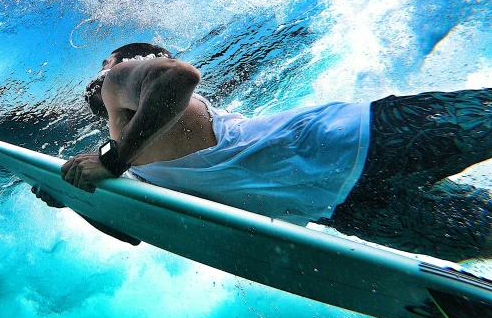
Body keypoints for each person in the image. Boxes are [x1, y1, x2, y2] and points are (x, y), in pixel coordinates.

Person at [35, 42, 492, 261]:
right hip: (345, 209)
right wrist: (73, 196)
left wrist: (114, 160)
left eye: (107, 63)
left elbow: (179, 78)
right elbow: (139, 230)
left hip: (361, 138)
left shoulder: (122, 81)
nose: (101, 74)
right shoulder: (133, 168)